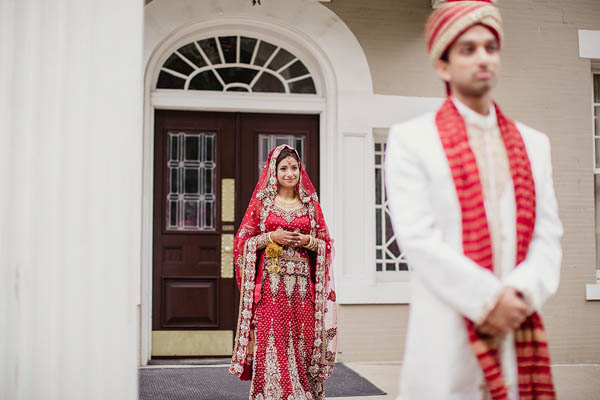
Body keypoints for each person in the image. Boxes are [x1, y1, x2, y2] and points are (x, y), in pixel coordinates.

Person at [384, 1, 563, 399]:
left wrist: (518, 295)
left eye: (490, 47)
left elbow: (547, 236)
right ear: (443, 65)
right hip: (447, 329)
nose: (483, 58)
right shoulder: (412, 140)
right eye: (468, 49)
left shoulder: (534, 145)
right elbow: (418, 239)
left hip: (517, 322)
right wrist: (486, 302)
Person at [229, 145, 337, 400]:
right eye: (283, 168)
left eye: (294, 168)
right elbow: (242, 243)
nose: (289, 173)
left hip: (302, 291)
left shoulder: (311, 206)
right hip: (271, 288)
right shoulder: (263, 205)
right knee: (273, 345)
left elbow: (326, 244)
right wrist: (270, 237)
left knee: (303, 343)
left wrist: (308, 242)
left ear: (301, 171)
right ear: (273, 172)